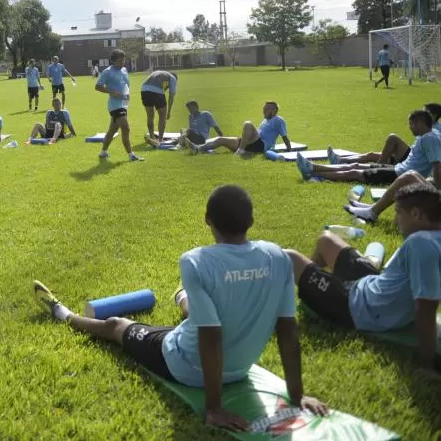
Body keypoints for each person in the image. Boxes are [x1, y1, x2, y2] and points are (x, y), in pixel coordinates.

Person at [33, 185, 327, 431]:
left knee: (116, 326)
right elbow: (288, 330)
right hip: (240, 368)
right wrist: (297, 394)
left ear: (206, 220)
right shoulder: (279, 257)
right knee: (194, 317)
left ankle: (65, 315)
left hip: (185, 364)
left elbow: (210, 336)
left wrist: (214, 407)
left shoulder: (196, 261)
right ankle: (183, 298)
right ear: (251, 221)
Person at [285, 182, 441, 378]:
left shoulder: (421, 244)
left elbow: (426, 308)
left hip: (359, 306)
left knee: (288, 257)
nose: (395, 220)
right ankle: (314, 291)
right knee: (326, 239)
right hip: (374, 285)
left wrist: (426, 365)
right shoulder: (431, 237)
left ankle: (312, 292)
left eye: (399, 212)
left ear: (417, 214)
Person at [297, 110, 441, 185]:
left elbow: (437, 166)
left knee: (353, 172)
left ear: (421, 124)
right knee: (355, 165)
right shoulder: (426, 136)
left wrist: (436, 188)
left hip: (398, 175)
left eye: (412, 124)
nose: (410, 127)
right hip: (397, 169)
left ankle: (313, 174)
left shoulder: (430, 139)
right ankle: (314, 167)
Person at [191, 101, 291, 156]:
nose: (263, 111)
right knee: (221, 139)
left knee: (248, 124)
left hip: (261, 145)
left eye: (266, 109)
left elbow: (285, 137)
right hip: (251, 143)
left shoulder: (279, 120)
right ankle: (198, 148)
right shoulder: (265, 120)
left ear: (274, 110)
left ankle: (241, 150)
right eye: (263, 109)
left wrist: (289, 151)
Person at [94, 49, 142, 162]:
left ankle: (103, 152)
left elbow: (126, 84)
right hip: (114, 105)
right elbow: (98, 86)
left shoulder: (124, 70)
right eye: (119, 61)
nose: (122, 63)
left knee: (112, 130)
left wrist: (127, 94)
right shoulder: (107, 72)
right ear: (113, 61)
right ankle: (131, 155)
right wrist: (112, 92)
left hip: (123, 103)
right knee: (126, 127)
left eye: (123, 61)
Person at [140, 70, 178, 141]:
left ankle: (152, 137)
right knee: (162, 116)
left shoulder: (159, 73)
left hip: (144, 90)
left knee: (150, 116)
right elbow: (171, 97)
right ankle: (160, 139)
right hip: (156, 91)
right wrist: (168, 112)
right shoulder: (173, 78)